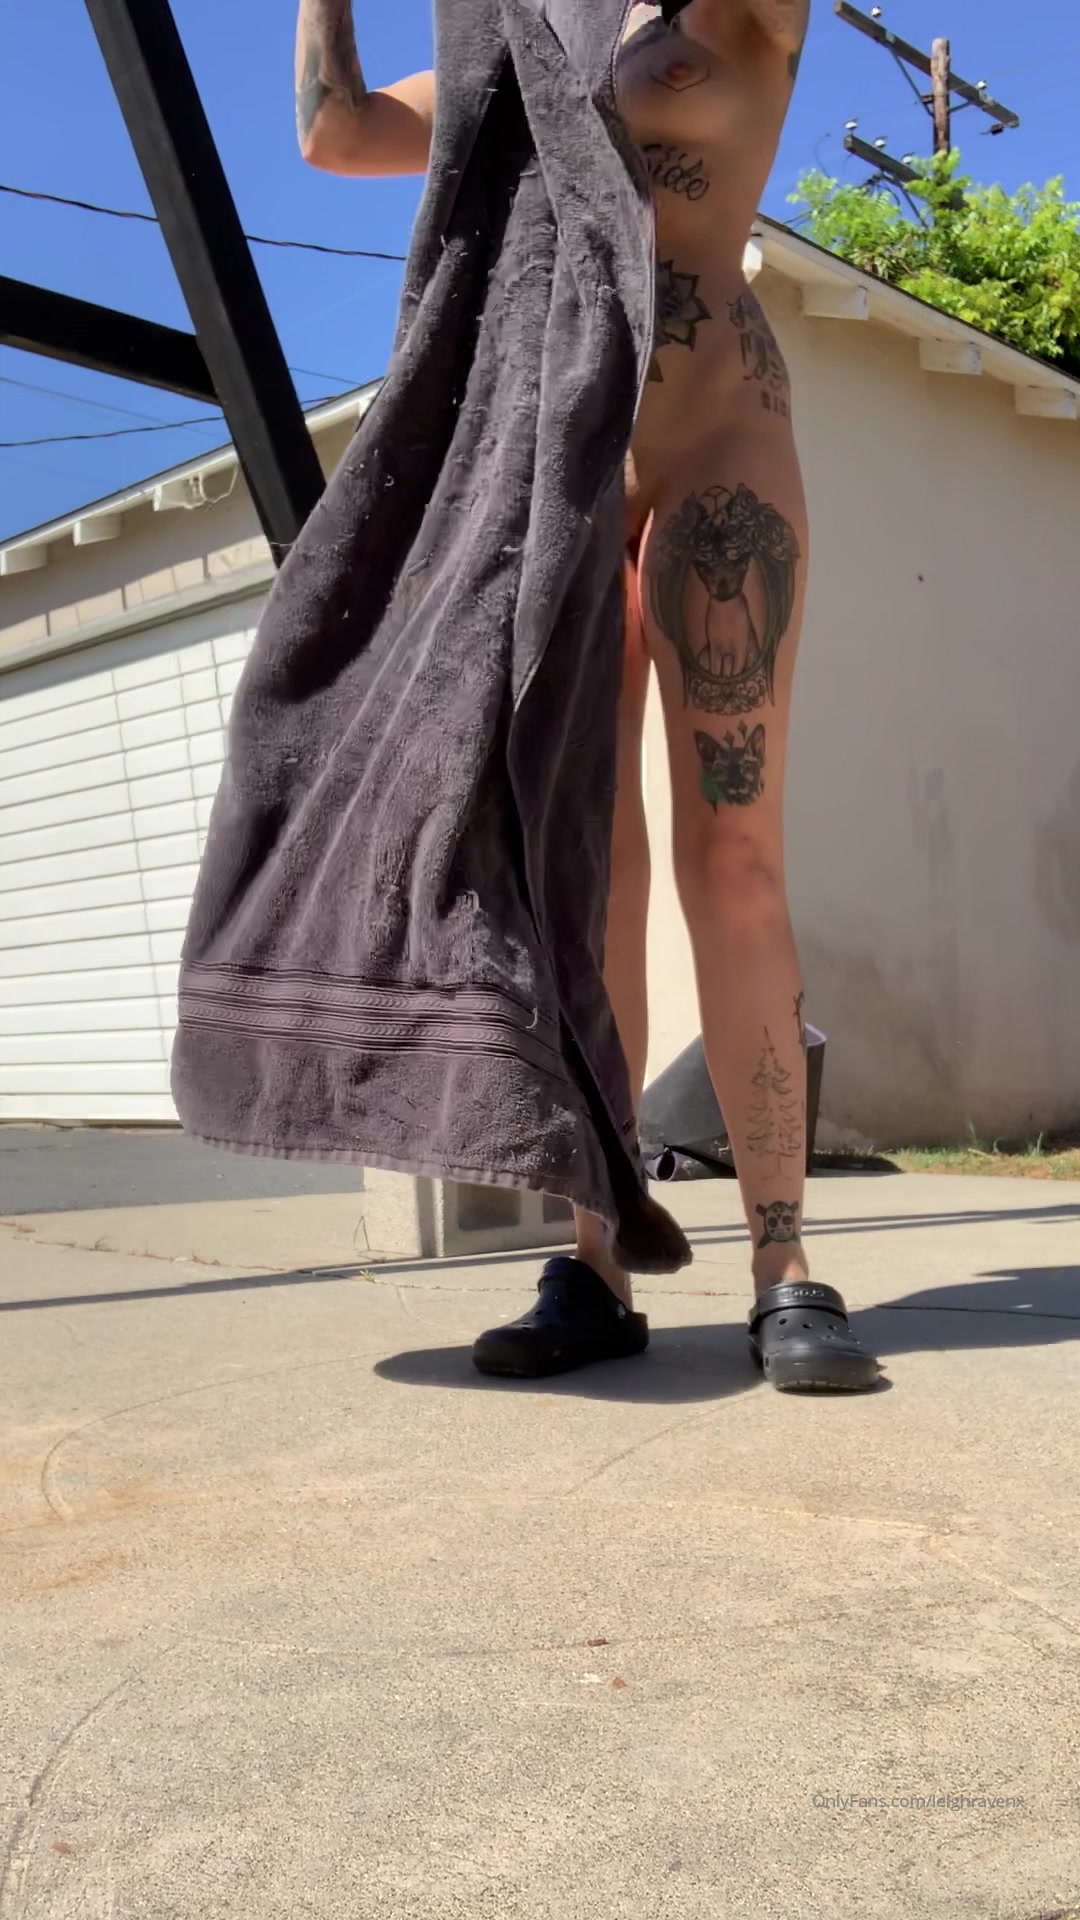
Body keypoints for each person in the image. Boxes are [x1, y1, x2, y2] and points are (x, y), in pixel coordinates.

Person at [295, 0, 880, 1392]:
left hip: (720, 438)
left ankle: (784, 1264)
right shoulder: (519, 43)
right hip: (560, 463)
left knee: (733, 859)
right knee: (588, 873)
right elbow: (338, 133)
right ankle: (598, 1260)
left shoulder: (738, 18)